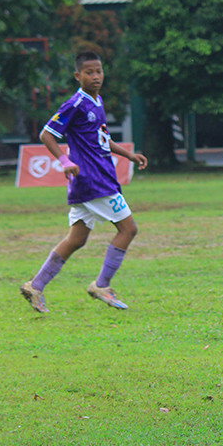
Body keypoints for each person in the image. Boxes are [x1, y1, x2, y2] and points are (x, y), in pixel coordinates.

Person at [19, 51, 148, 313]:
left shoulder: (97, 101)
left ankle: (36, 285)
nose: (95, 76)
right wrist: (64, 161)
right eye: (89, 72)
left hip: (89, 181)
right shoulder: (75, 103)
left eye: (98, 71)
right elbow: (47, 134)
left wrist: (128, 155)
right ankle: (102, 285)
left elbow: (102, 139)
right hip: (93, 181)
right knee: (128, 229)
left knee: (77, 239)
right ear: (78, 76)